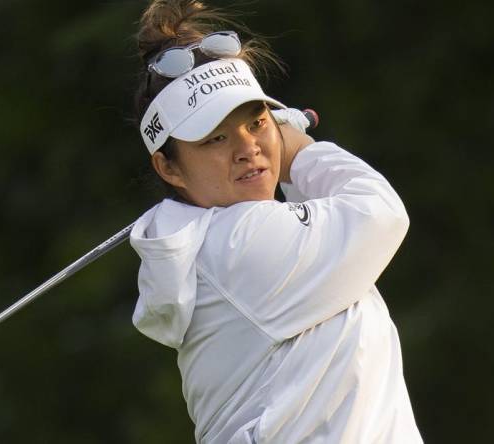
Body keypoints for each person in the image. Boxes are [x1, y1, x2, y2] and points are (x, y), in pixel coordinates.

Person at [129, 1, 423, 443]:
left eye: (256, 123)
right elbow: (379, 213)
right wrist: (300, 151)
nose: (248, 148)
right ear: (169, 168)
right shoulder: (233, 247)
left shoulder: (217, 245)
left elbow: (321, 214)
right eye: (216, 138)